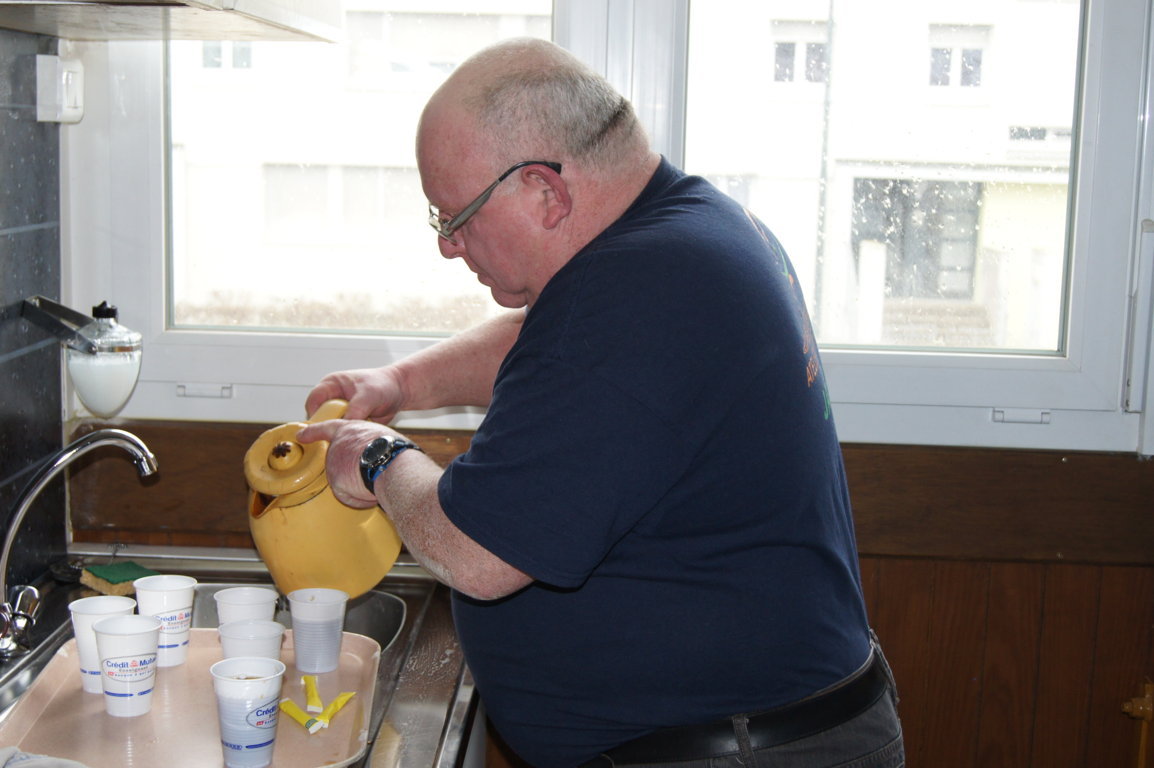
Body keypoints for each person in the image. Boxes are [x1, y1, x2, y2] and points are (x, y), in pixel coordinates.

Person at [296, 37, 904, 768]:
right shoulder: (687, 232)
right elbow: (555, 348)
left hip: (739, 749)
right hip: (754, 732)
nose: (449, 247)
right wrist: (401, 385)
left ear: (546, 193)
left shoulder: (635, 290)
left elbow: (478, 553)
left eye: (453, 218)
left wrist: (377, 456)